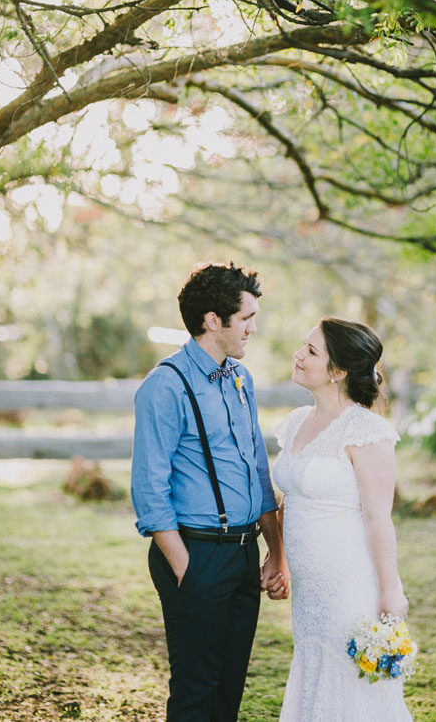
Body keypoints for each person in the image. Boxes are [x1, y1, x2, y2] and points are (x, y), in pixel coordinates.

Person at [131, 262, 289, 722]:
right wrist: (185, 565)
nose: (253, 328)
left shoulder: (241, 378)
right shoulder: (165, 385)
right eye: (246, 318)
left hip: (244, 556)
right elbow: (148, 490)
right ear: (213, 320)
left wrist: (274, 552)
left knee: (229, 688)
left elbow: (258, 471)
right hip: (196, 554)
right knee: (196, 691)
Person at [273, 317, 413, 722]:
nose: (298, 355)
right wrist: (278, 557)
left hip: (351, 588)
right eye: (304, 345)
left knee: (352, 687)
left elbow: (378, 519)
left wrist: (389, 593)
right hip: (310, 594)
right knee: (317, 676)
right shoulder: (298, 421)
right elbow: (290, 503)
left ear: (338, 372)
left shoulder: (367, 431)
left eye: (311, 352)